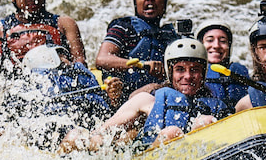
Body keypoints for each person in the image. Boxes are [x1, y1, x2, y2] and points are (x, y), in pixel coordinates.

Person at [74, 37, 228, 151]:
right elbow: (102, 133)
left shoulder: (216, 107)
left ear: (203, 73)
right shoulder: (145, 100)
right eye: (180, 69)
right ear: (170, 72)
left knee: (206, 122)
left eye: (194, 70)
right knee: (171, 133)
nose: (187, 76)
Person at [0, 43, 115, 151]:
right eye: (61, 55)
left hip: (72, 131)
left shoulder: (77, 74)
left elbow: (100, 108)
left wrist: (111, 97)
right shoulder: (28, 84)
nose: (68, 59)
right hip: (51, 133)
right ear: (47, 58)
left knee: (81, 136)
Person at [93, 0, 181, 102]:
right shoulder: (124, 27)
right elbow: (102, 59)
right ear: (136, 2)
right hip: (124, 97)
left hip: (158, 93)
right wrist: (143, 65)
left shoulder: (172, 37)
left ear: (164, 4)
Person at [198, 20, 249, 113]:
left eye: (223, 41)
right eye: (210, 40)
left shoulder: (240, 72)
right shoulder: (189, 76)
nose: (216, 45)